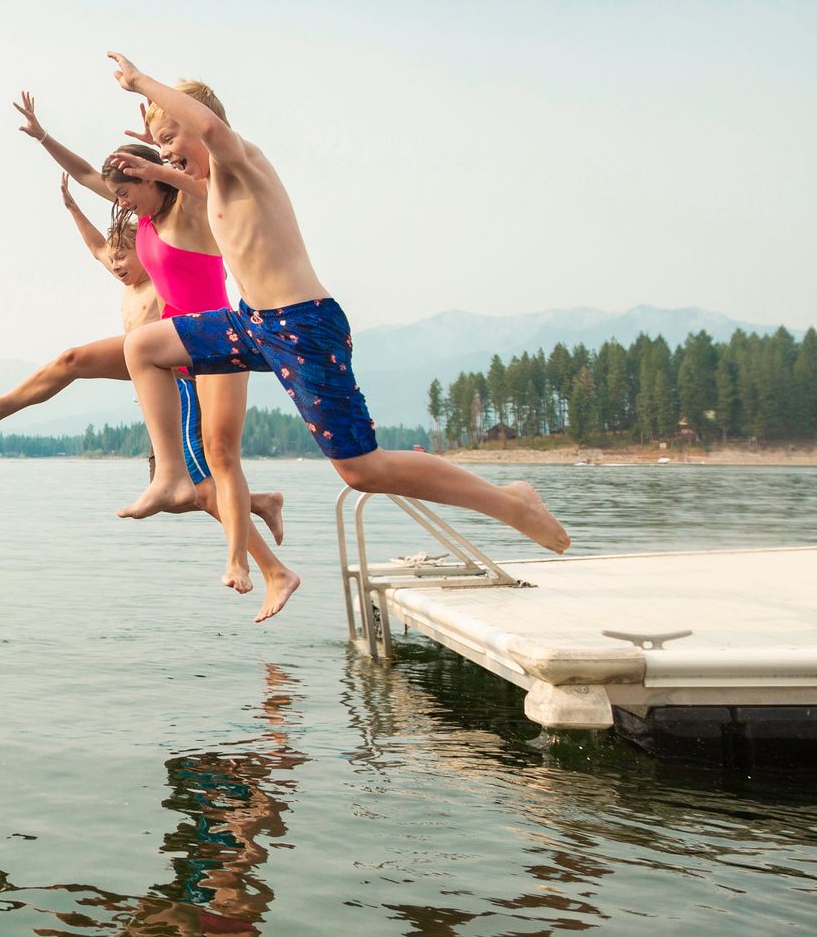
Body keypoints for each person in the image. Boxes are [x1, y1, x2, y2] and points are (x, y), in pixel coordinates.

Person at [104, 52, 571, 623]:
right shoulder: (212, 185)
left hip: (303, 325)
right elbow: (186, 163)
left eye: (172, 134)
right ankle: (172, 474)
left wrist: (144, 85)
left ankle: (510, 502)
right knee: (143, 347)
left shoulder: (241, 158)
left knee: (363, 470)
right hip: (253, 324)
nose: (170, 148)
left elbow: (209, 130)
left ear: (199, 120)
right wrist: (159, 158)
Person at [0, 92, 283, 542]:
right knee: (72, 360)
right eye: (119, 197)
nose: (121, 203)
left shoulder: (190, 209)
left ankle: (260, 552)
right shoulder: (144, 223)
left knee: (204, 486)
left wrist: (167, 150)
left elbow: (206, 169)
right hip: (160, 350)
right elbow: (89, 175)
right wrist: (44, 137)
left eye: (127, 193)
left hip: (203, 347)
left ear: (150, 180)